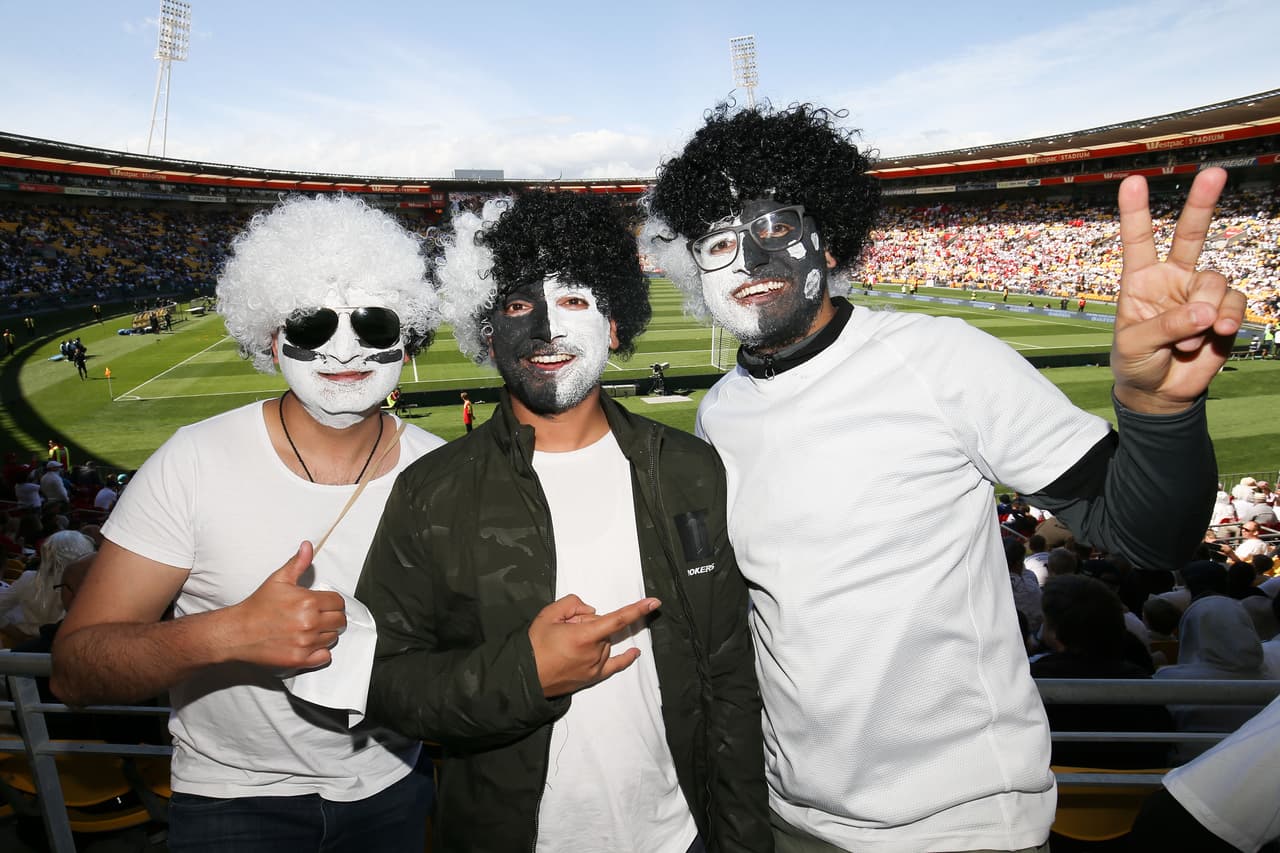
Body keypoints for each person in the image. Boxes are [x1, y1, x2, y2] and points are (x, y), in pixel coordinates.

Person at [644, 102, 1243, 852]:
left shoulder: (942, 360)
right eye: (721, 242)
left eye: (774, 228)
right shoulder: (720, 412)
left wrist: (1157, 408)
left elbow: (1146, 533)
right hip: (787, 818)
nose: (749, 262)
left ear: (827, 239)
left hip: (961, 826)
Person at [357, 191, 768, 853]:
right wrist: (524, 673)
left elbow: (728, 679)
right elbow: (380, 680)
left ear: (613, 323)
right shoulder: (430, 491)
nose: (547, 329)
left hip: (682, 836)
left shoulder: (691, 471)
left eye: (575, 299)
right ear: (488, 332)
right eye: (519, 305)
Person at [50, 194, 444, 853]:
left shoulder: (445, 471)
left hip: (396, 788)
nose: (344, 349)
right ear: (272, 337)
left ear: (406, 341)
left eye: (373, 323)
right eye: (313, 324)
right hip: (232, 801)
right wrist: (224, 633)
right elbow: (74, 670)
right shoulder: (194, 460)